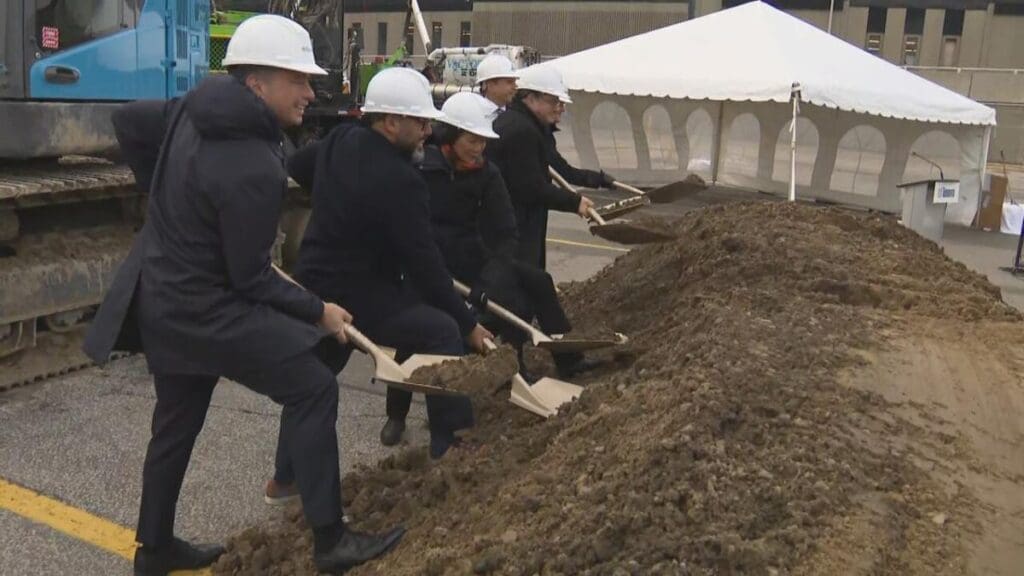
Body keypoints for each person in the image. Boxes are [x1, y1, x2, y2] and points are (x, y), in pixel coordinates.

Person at [82, 15, 403, 576]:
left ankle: (153, 551)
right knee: (311, 389)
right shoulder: (255, 164)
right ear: (256, 84)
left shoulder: (192, 104)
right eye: (298, 80)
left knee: (174, 424)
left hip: (165, 298)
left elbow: (128, 121)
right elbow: (252, 279)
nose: (310, 92)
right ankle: (331, 541)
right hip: (207, 312)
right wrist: (319, 311)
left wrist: (163, 202)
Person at [287, 67, 494, 455]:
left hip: (315, 286)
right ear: (390, 121)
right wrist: (469, 326)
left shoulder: (341, 138)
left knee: (312, 380)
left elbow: (298, 167)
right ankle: (453, 448)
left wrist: (337, 200)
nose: (428, 132)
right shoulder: (402, 180)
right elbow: (426, 267)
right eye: (420, 122)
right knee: (441, 331)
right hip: (361, 295)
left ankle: (286, 474)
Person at [420, 92, 599, 379]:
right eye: (471, 141)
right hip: (428, 259)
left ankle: (559, 361)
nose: (479, 149)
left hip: (471, 254)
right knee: (454, 318)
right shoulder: (423, 169)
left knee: (535, 282)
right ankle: (398, 412)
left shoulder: (487, 174)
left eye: (483, 142)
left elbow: (506, 232)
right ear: (449, 137)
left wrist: (491, 279)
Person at [487, 65, 616, 270]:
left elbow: (560, 169)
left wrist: (600, 179)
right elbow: (532, 188)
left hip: (522, 223)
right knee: (522, 282)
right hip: (513, 227)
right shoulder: (521, 131)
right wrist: (574, 202)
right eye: (554, 101)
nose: (560, 108)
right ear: (531, 98)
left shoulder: (529, 127)